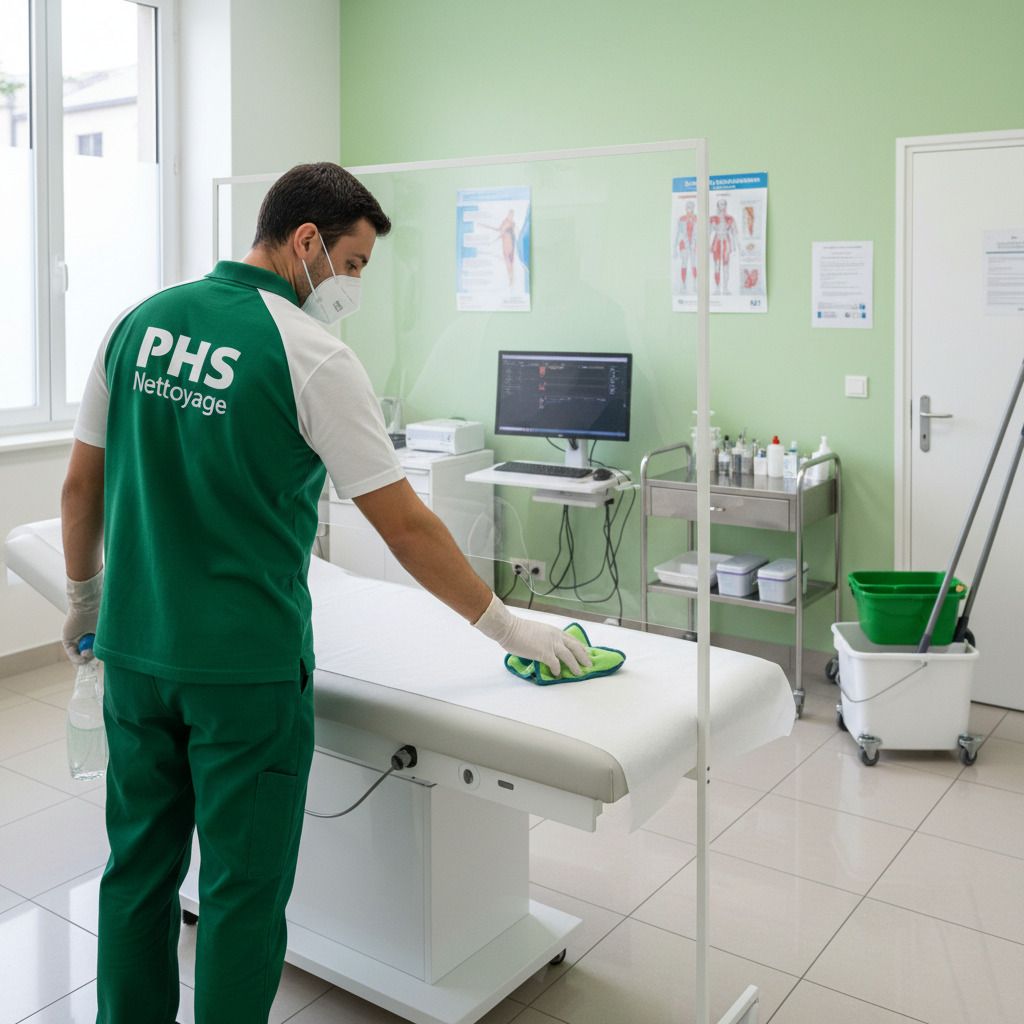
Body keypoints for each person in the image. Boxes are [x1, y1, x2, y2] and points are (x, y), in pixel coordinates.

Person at [59, 162, 589, 1024]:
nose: (350, 288)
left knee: (137, 875)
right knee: (241, 895)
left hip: (135, 655)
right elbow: (405, 524)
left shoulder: (136, 322)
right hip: (244, 677)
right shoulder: (311, 355)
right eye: (352, 264)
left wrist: (85, 602)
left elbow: (82, 490)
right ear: (305, 242)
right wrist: (503, 624)